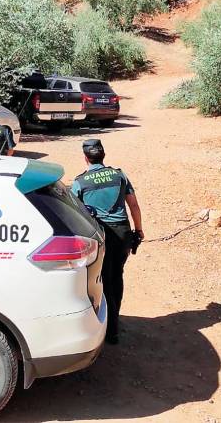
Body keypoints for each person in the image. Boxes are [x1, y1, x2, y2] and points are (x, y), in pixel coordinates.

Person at [71, 139, 143, 345]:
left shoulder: (80, 182)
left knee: (102, 278)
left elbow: (75, 212)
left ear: (86, 157)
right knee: (117, 275)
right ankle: (114, 325)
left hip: (99, 235)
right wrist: (138, 230)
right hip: (122, 233)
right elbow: (134, 206)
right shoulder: (120, 175)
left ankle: (106, 327)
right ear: (103, 155)